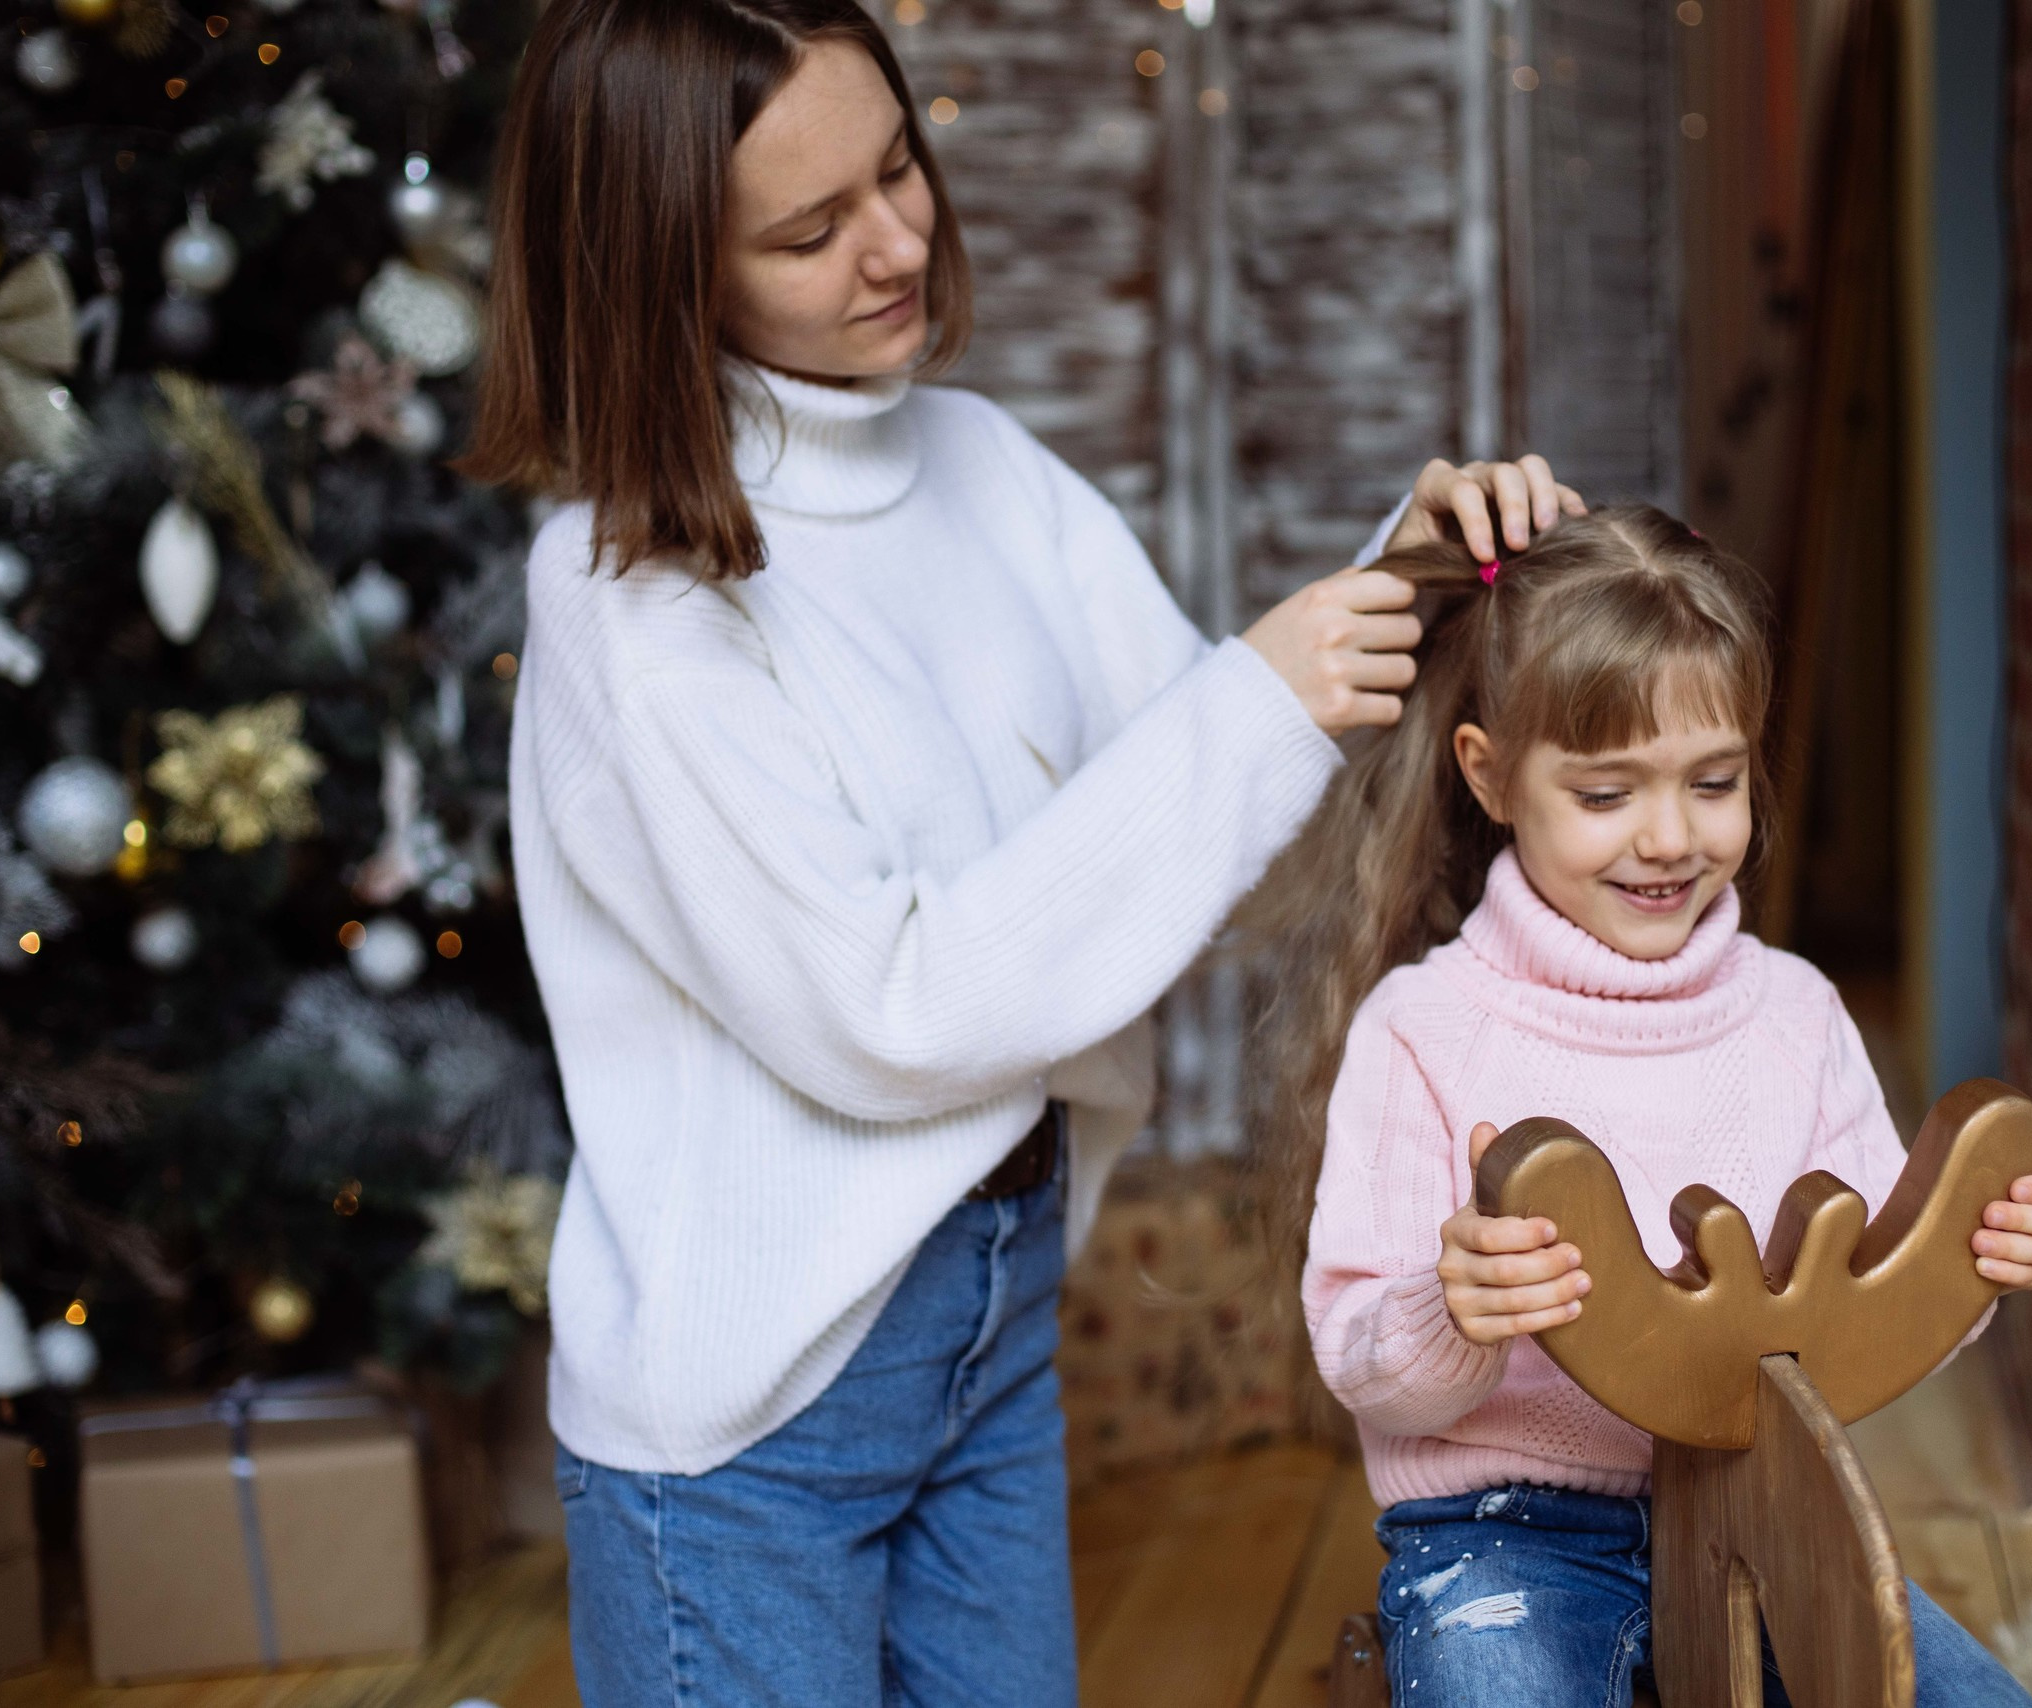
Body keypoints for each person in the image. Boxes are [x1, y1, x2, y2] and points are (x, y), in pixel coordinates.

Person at [462, 1, 1583, 1702]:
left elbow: (1215, 831)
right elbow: (891, 1004)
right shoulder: (631, 606)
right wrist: (1259, 702)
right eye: (807, 228)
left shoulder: (985, 469)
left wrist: (1409, 589)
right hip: (750, 1423)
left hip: (988, 1320)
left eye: (898, 165)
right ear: (657, 273)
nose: (897, 240)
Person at [1252, 507, 2032, 1707]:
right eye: (1604, 793)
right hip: (1502, 1531)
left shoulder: (1795, 1015)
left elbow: (1866, 1307)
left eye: (1713, 780)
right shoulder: (1421, 1031)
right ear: (1490, 775)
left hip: (1764, 1498)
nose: (1671, 837)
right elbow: (1362, 1357)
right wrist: (1457, 1308)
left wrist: (1968, 1267)